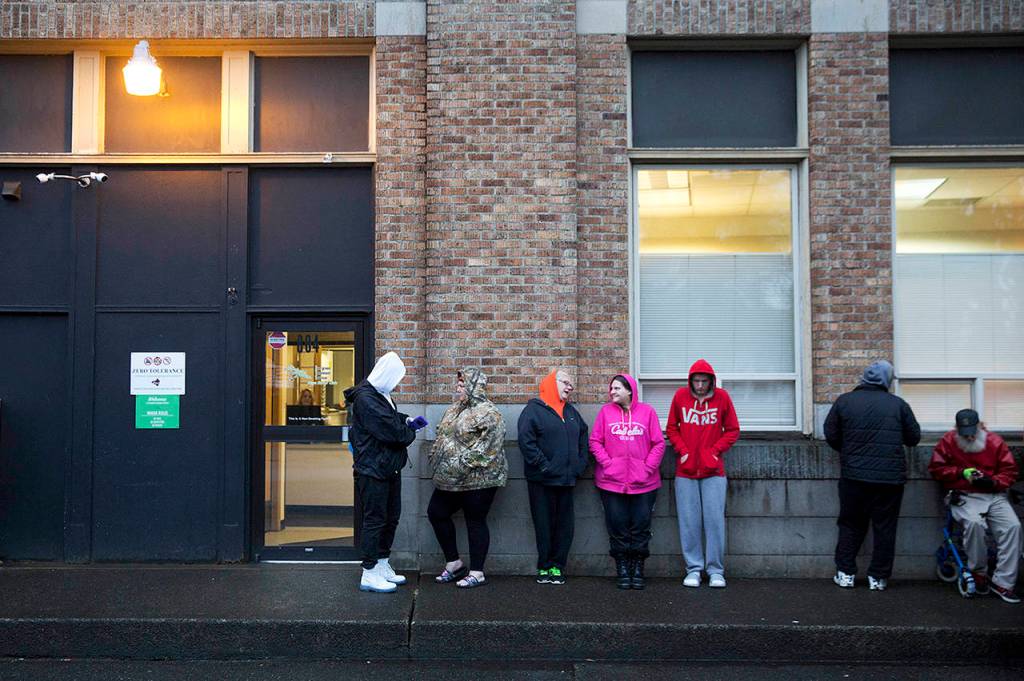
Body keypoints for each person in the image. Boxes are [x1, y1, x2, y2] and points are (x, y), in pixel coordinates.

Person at [824, 360, 920, 591]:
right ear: (887, 380)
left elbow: (830, 433)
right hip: (889, 480)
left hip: (854, 477)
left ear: (864, 378)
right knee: (885, 528)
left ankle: (845, 573)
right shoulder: (898, 405)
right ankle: (878, 577)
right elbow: (913, 438)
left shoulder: (845, 401)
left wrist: (848, 452)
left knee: (850, 524)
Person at [343, 351, 426, 593]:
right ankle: (369, 572)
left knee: (390, 518)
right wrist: (410, 431)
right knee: (375, 520)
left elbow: (391, 419)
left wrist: (407, 419)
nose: (397, 384)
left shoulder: (380, 394)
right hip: (373, 469)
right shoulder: (367, 399)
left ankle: (381, 563)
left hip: (387, 467)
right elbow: (393, 433)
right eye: (396, 378)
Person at [928, 409, 1020, 604]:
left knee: (1013, 526)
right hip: (964, 494)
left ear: (980, 426)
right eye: (965, 433)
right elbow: (936, 469)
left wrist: (993, 482)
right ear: (956, 429)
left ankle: (1003, 581)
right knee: (973, 524)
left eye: (973, 432)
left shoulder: (994, 442)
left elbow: (1010, 471)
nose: (969, 436)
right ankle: (978, 572)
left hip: (993, 494)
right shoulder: (948, 441)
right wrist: (961, 472)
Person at [427, 368, 508, 588]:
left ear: (475, 387)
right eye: (458, 384)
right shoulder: (454, 410)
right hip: (451, 480)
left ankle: (477, 572)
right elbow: (441, 435)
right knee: (436, 512)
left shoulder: (489, 413)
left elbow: (489, 447)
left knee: (475, 520)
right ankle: (454, 563)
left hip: (480, 480)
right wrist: (435, 456)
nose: (458, 388)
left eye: (462, 385)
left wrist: (458, 465)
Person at [666, 359, 740, 589]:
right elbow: (671, 428)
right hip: (685, 471)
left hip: (713, 471)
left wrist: (714, 452)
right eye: (696, 381)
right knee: (689, 522)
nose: (699, 385)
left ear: (711, 382)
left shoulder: (722, 398)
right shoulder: (680, 397)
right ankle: (694, 569)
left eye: (704, 381)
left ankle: (716, 570)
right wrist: (684, 451)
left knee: (714, 521)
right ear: (690, 381)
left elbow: (733, 430)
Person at [590, 373, 665, 589]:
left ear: (629, 390)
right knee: (617, 526)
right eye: (611, 388)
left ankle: (638, 568)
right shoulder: (605, 412)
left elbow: (658, 444)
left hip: (644, 484)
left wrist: (647, 469)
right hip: (611, 483)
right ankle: (622, 567)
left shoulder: (647, 412)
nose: (612, 391)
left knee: (641, 527)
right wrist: (609, 465)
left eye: (617, 388)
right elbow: (595, 442)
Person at [518, 368, 589, 585]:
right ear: (552, 383)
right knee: (544, 525)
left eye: (571, 385)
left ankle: (558, 566)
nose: (570, 387)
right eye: (566, 382)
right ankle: (544, 566)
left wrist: (579, 465)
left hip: (566, 480)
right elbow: (526, 442)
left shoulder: (571, 412)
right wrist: (544, 466)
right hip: (542, 481)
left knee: (564, 526)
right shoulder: (533, 410)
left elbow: (583, 437)